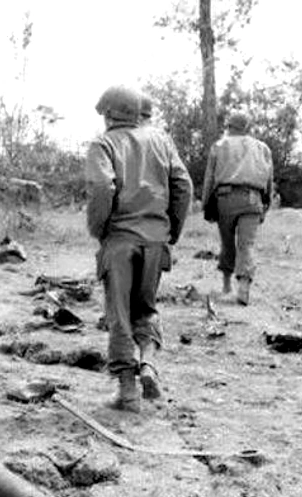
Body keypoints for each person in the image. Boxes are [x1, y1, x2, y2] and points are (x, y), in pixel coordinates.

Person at [85, 85, 193, 413]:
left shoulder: (102, 144)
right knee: (146, 308)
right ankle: (148, 364)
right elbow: (183, 186)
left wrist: (99, 229)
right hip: (155, 239)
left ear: (108, 114)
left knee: (118, 314)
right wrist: (170, 230)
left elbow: (102, 186)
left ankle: (128, 393)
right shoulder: (162, 140)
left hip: (120, 239)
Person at [201, 112, 273, 305]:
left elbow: (209, 178)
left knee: (227, 242)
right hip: (253, 198)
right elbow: (269, 181)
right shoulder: (262, 148)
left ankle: (226, 286)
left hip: (226, 197)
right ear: (247, 127)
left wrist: (206, 203)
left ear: (229, 126)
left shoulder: (219, 146)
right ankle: (244, 287)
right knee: (246, 244)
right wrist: (266, 206)